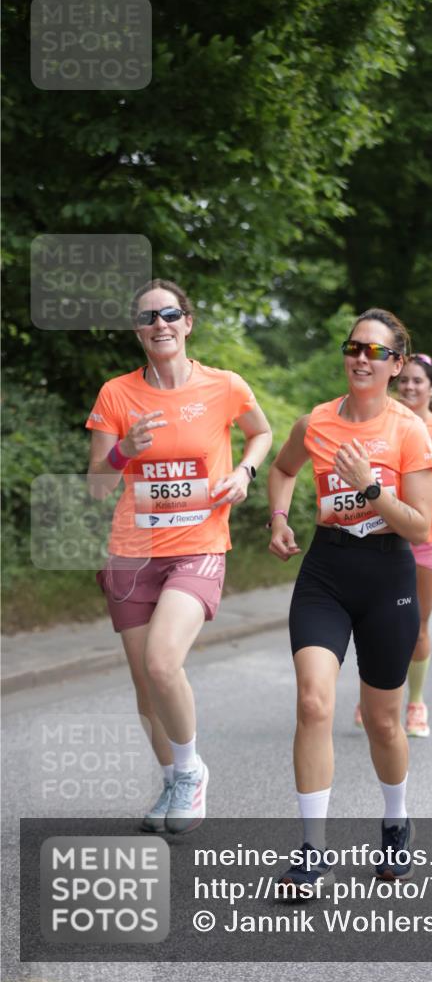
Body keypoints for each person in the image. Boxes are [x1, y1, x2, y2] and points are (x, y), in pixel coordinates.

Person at [86, 278, 272, 833]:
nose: (159, 324)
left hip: (199, 547)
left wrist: (244, 472)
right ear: (138, 332)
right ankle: (171, 780)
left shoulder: (225, 386)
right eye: (148, 317)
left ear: (187, 322)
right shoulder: (116, 394)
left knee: (164, 661)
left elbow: (260, 433)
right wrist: (125, 450)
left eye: (170, 314)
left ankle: (191, 774)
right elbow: (97, 486)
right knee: (147, 682)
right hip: (132, 553)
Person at [267, 308, 432, 891]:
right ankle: (313, 850)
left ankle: (396, 819)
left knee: (384, 724)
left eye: (375, 352)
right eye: (353, 347)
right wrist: (279, 517)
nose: (361, 359)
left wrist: (370, 486)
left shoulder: (410, 430)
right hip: (327, 571)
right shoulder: (315, 421)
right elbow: (283, 469)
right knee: (314, 704)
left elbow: (418, 526)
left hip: (388, 576)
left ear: (397, 365)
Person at [353, 353, 432, 738]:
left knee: (416, 626)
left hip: (428, 537)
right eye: (405, 382)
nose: (410, 388)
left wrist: (420, 476)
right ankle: (374, 694)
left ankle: (415, 703)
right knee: (373, 623)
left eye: (419, 382)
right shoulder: (381, 423)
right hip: (382, 535)